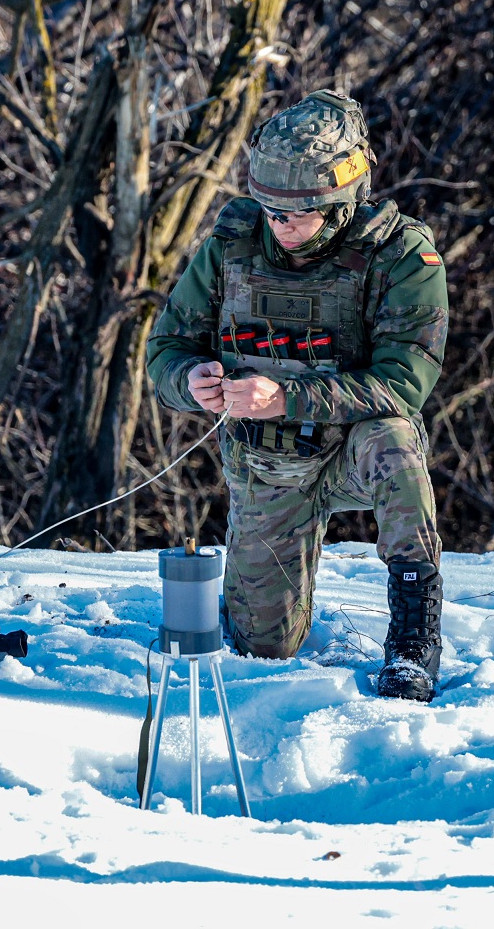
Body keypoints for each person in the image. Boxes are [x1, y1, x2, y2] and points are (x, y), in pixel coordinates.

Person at [146, 90, 450, 702]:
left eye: (296, 215)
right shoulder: (232, 244)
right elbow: (166, 348)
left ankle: (413, 635)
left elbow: (404, 381)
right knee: (263, 647)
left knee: (395, 441)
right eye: (270, 211)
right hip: (268, 462)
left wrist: (287, 397)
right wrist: (189, 380)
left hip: (354, 450)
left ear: (340, 204)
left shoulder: (400, 255)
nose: (279, 226)